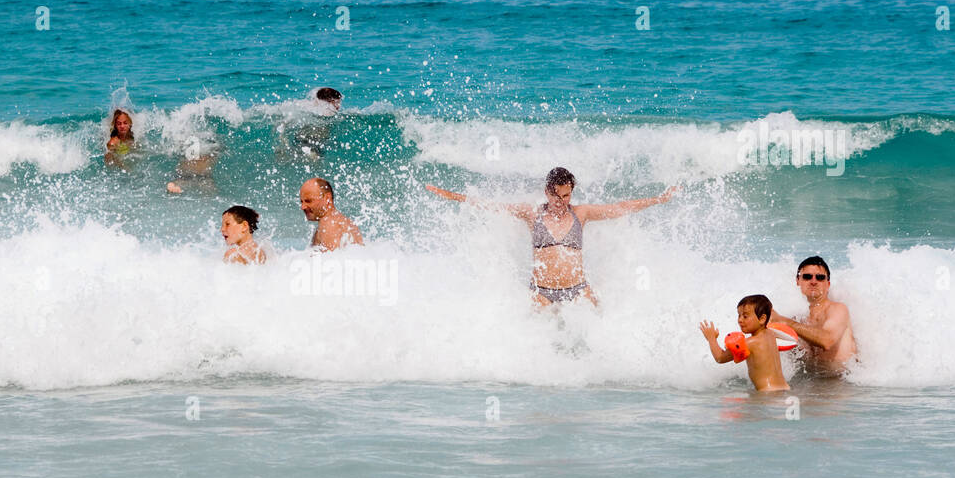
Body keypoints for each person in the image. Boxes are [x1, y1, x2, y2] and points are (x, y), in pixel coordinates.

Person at [425, 166, 678, 306]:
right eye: (557, 195)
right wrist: (452, 196)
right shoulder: (532, 213)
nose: (561, 201)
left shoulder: (581, 213)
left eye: (566, 195)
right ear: (547, 192)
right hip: (542, 293)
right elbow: (493, 205)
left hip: (578, 291)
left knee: (597, 338)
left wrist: (658, 199)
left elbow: (621, 207)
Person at [769, 255, 857, 373]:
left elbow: (827, 340)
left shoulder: (838, 309)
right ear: (798, 281)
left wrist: (783, 321)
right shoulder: (799, 320)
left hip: (844, 384)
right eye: (807, 277)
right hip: (813, 385)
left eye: (820, 277)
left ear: (828, 284)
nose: (813, 281)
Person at [700, 295, 790, 393]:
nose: (740, 320)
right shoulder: (771, 334)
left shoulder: (750, 343)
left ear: (762, 319)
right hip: (785, 389)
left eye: (745, 316)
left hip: (767, 393)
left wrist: (711, 338)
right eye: (739, 315)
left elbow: (720, 358)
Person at [299, 177, 362, 250]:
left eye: (308, 201)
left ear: (327, 198)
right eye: (301, 202)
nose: (303, 207)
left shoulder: (329, 225)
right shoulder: (341, 221)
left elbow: (331, 260)